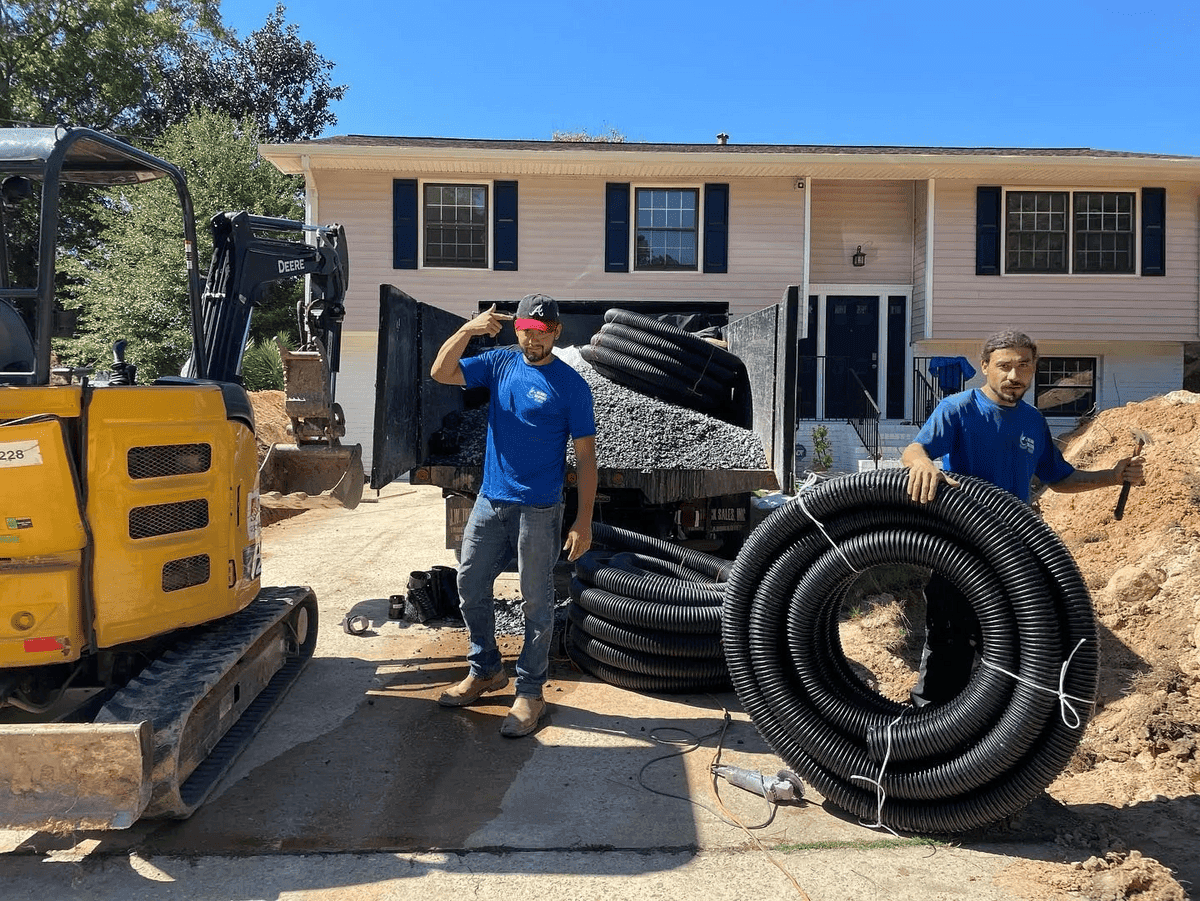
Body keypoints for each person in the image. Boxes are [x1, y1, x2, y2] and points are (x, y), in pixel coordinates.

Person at [901, 329, 1145, 706]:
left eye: (1024, 366)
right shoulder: (958, 409)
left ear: (1033, 368)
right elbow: (916, 450)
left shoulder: (1032, 421)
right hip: (960, 554)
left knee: (1010, 660)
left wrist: (1112, 476)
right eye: (1004, 366)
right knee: (948, 656)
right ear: (985, 367)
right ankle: (929, 730)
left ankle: (1000, 735)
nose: (1014, 375)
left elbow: (1059, 478)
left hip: (1012, 557)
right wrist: (922, 464)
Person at [429, 293, 598, 737]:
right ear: (516, 328)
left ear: (556, 333)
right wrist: (467, 330)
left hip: (539, 508)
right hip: (490, 500)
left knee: (536, 601)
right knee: (469, 584)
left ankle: (531, 692)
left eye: (541, 333)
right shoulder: (500, 362)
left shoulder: (571, 386)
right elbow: (441, 372)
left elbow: (586, 459)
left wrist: (583, 520)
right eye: (525, 331)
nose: (531, 340)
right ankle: (485, 669)